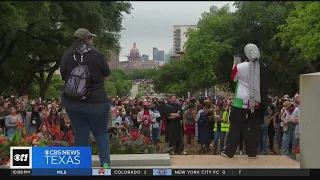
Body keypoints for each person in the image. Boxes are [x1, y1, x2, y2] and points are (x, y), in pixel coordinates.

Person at [60, 28, 111, 168]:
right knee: (100, 132)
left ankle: (82, 166)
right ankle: (105, 165)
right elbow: (106, 75)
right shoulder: (97, 55)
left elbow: (64, 76)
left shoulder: (67, 56)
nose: (92, 40)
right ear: (88, 40)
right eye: (91, 38)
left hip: (72, 101)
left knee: (80, 131)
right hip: (96, 101)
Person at [222, 43, 268, 159]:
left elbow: (233, 78)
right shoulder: (263, 67)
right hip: (256, 102)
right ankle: (252, 152)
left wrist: (234, 65)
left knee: (235, 127)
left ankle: (229, 151)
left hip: (240, 101)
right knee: (253, 128)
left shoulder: (240, 66)